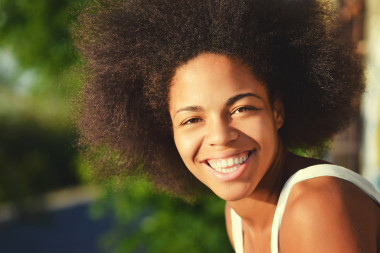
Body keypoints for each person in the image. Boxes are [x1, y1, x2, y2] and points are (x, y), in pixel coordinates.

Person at [73, 0, 380, 252]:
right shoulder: (236, 215)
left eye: (242, 108)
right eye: (192, 119)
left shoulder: (317, 205)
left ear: (278, 111)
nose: (221, 136)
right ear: (168, 130)